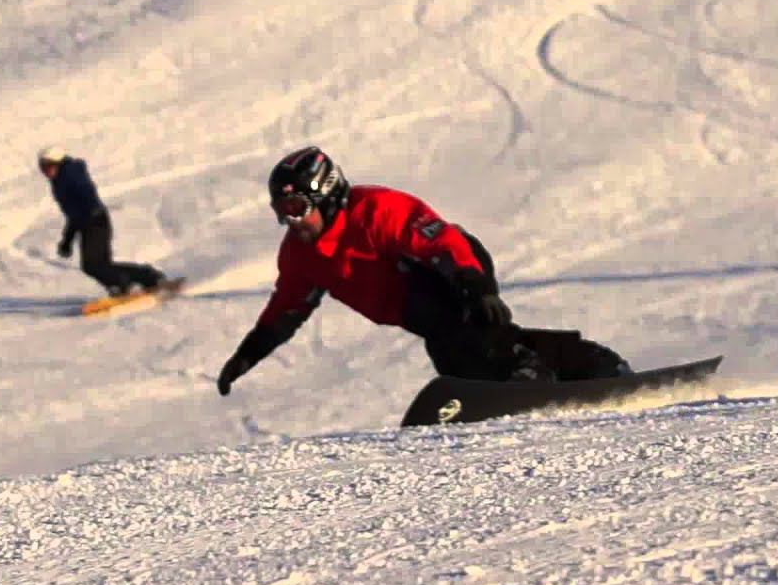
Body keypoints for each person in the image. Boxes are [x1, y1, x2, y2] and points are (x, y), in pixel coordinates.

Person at [215, 147, 630, 397]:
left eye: (295, 209)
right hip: (416, 308)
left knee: (462, 332)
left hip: (450, 270)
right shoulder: (300, 256)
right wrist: (247, 355)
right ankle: (588, 363)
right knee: (453, 358)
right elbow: (286, 309)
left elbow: (443, 243)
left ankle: (526, 372)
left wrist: (478, 289)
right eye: (280, 212)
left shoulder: (375, 210)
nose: (291, 222)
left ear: (323, 197)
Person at [38, 147, 168, 297]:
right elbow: (72, 214)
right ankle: (150, 278)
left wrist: (89, 209)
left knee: (92, 266)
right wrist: (67, 240)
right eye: (43, 168)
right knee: (100, 265)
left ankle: (122, 284)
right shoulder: (59, 182)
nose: (46, 171)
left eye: (48, 166)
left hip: (94, 221)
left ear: (58, 163)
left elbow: (85, 190)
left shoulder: (70, 174)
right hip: (90, 222)